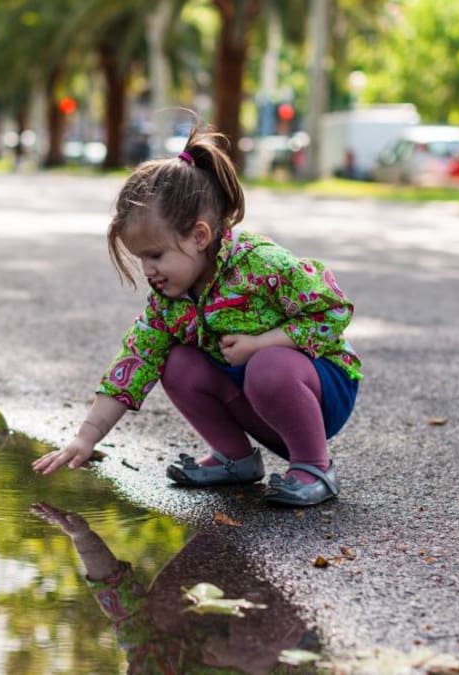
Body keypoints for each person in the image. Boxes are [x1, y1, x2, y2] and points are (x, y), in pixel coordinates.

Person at [31, 124, 361, 507]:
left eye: (155, 255)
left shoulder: (260, 265)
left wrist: (263, 343)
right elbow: (134, 362)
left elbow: (334, 309)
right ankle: (234, 458)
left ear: (199, 236)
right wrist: (85, 437)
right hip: (257, 397)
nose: (148, 270)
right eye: (140, 259)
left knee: (267, 366)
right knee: (174, 363)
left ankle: (314, 466)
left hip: (319, 390)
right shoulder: (169, 300)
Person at [31, 502, 318, 673]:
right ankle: (286, 566)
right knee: (255, 650)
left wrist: (82, 537)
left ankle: (227, 533)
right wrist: (248, 661)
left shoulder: (152, 667)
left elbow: (121, 602)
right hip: (276, 623)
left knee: (160, 615)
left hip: (219, 565)